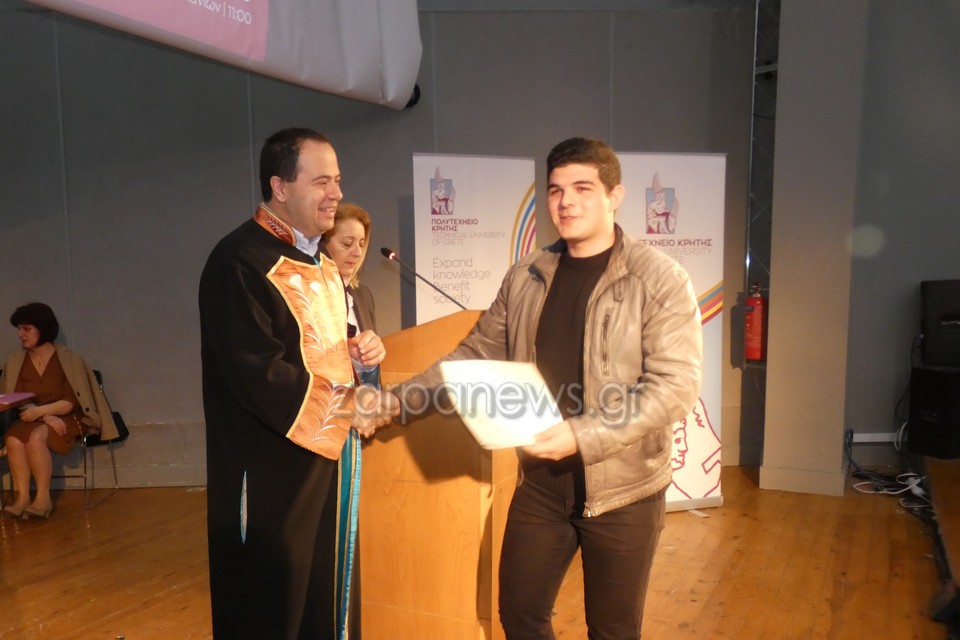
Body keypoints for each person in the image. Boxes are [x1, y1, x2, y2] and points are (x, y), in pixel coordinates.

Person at [387, 137, 703, 639]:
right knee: (520, 615)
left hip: (625, 493)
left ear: (615, 196)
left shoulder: (659, 279)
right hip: (539, 484)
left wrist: (582, 434)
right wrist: (393, 402)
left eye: (582, 188)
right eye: (556, 190)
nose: (566, 202)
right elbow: (471, 356)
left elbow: (675, 386)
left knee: (613, 632)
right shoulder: (526, 275)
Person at [198, 128, 394, 639]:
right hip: (271, 475)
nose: (336, 194)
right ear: (280, 187)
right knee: (272, 607)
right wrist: (350, 406)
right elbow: (258, 372)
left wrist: (357, 357)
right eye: (322, 182)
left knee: (323, 602)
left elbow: (314, 354)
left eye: (338, 181)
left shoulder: (322, 264)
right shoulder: (237, 262)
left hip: (327, 464)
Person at [1, 302, 120, 520]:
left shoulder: (69, 359)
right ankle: (22, 498)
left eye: (26, 329)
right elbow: (16, 397)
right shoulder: (17, 360)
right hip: (33, 416)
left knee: (36, 437)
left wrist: (43, 414)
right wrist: (45, 416)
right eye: (19, 329)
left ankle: (43, 499)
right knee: (13, 440)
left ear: (42, 328)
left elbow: (72, 401)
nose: (20, 335)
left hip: (69, 417)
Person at [321, 202, 380, 388]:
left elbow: (369, 369)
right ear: (322, 246)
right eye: (347, 243)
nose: (357, 252)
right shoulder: (310, 296)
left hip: (364, 401)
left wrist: (372, 355)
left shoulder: (363, 296)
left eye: (361, 244)